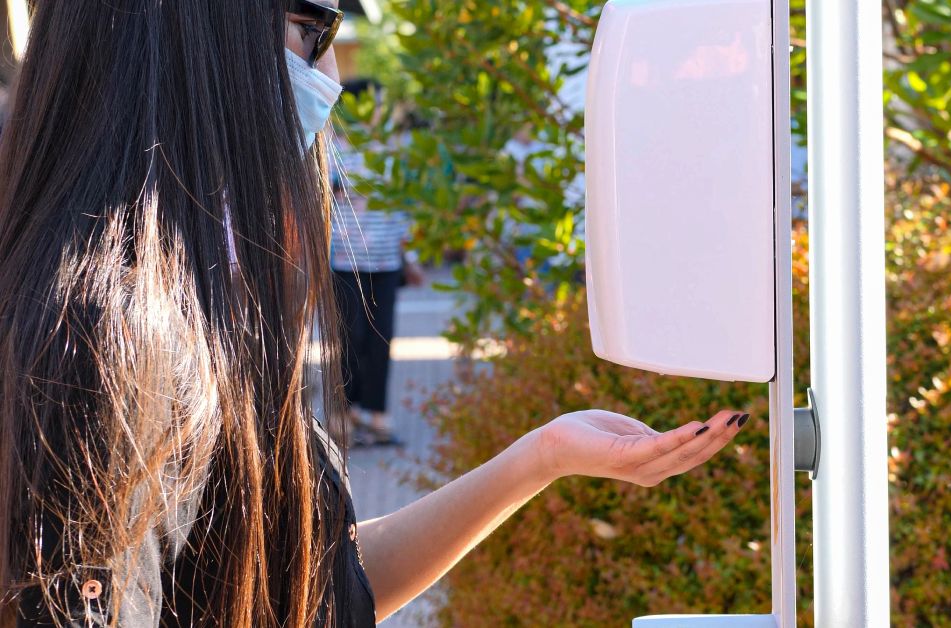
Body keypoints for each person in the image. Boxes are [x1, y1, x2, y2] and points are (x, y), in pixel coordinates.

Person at [0, 2, 751, 627]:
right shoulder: (99, 343)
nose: (326, 76)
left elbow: (313, 586)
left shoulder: (191, 300)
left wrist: (541, 458)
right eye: (309, 30)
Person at [329, 84, 414, 448]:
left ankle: (378, 416)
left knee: (381, 340)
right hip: (345, 261)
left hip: (387, 261)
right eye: (372, 103)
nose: (379, 110)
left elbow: (406, 207)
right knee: (350, 338)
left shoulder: (395, 154)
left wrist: (412, 257)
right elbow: (323, 192)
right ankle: (343, 416)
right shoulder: (333, 148)